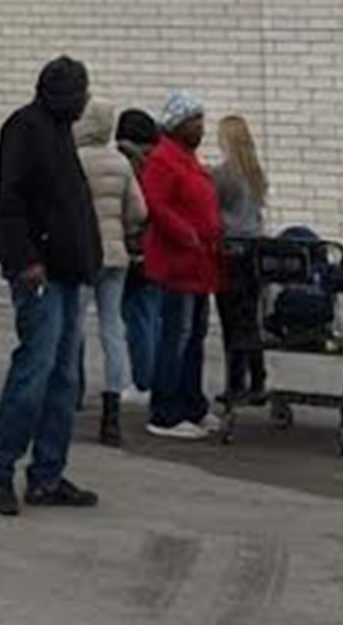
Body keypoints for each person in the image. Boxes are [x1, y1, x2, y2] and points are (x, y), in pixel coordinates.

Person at [0, 56, 102, 517]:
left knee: (64, 377)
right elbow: (9, 199)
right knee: (35, 370)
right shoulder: (26, 128)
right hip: (41, 273)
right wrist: (26, 257)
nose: (84, 103)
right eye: (81, 95)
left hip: (68, 270)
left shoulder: (56, 130)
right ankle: (0, 468)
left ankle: (48, 473)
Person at [140, 93, 222, 441]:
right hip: (179, 263)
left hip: (200, 263)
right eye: (194, 120)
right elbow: (156, 204)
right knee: (177, 336)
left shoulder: (187, 158)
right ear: (177, 124)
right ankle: (165, 411)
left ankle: (193, 403)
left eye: (201, 120)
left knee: (194, 337)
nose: (201, 127)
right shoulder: (163, 159)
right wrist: (185, 232)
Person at [73, 99, 145, 448]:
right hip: (116, 254)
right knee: (111, 327)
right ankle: (112, 409)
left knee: (73, 324)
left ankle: (71, 391)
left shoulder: (74, 160)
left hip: (83, 254)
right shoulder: (120, 162)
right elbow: (138, 211)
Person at [212, 114, 271, 403]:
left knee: (230, 322)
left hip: (232, 251)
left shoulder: (222, 175)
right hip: (255, 249)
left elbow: (213, 211)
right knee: (250, 319)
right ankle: (258, 379)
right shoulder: (255, 173)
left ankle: (235, 382)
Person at [113, 107, 164, 393]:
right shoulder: (159, 161)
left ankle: (144, 381)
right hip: (156, 247)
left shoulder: (126, 164)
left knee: (136, 317)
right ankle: (155, 377)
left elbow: (132, 210)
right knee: (152, 315)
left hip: (131, 247)